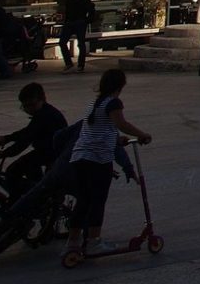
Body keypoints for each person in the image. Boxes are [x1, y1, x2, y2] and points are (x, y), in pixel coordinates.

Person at [65, 68, 151, 256]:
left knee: (84, 201)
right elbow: (121, 123)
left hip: (80, 157)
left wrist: (117, 139)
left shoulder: (94, 103)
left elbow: (99, 130)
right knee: (97, 200)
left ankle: (72, 242)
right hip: (97, 159)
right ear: (120, 86)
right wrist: (142, 134)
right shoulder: (113, 102)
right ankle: (94, 241)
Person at [0, 81, 68, 199]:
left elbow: (25, 141)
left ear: (42, 100)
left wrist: (5, 153)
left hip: (50, 153)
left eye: (31, 105)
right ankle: (37, 199)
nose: (28, 109)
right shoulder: (44, 112)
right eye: (25, 106)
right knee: (33, 176)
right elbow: (28, 131)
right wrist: (7, 138)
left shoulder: (45, 116)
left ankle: (22, 203)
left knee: (12, 172)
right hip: (49, 151)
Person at [61, 0, 98, 73]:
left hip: (74, 21)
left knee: (66, 42)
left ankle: (72, 63)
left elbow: (90, 9)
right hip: (78, 22)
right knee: (80, 43)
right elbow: (91, 9)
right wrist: (87, 20)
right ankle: (79, 65)